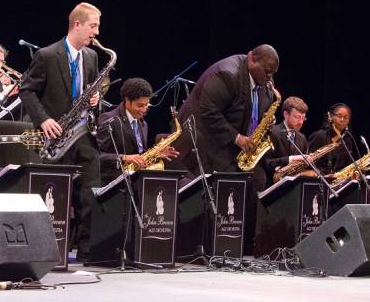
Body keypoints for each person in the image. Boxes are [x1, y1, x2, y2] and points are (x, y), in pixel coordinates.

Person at [19, 2, 102, 261]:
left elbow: (90, 89)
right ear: (77, 25)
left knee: (89, 192)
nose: (96, 32)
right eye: (93, 26)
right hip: (56, 136)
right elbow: (27, 90)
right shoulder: (46, 55)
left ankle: (87, 251)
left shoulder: (91, 57)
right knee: (58, 194)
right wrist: (43, 120)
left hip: (83, 134)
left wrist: (95, 98)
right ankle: (52, 250)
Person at [175, 44, 279, 192]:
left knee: (258, 180)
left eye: (273, 73)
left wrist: (268, 121)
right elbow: (209, 111)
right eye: (267, 71)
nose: (270, 77)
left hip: (233, 145)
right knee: (227, 185)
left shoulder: (265, 80)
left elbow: (262, 110)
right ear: (252, 60)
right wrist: (238, 138)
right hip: (204, 139)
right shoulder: (228, 74)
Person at [96, 77, 179, 184]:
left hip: (137, 182)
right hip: (113, 184)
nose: (144, 110)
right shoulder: (109, 119)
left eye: (146, 105)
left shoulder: (143, 124)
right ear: (127, 101)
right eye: (140, 105)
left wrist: (155, 155)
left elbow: (140, 156)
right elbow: (97, 156)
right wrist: (123, 158)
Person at [264, 96, 309, 184]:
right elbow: (266, 163)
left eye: (303, 118)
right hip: (271, 186)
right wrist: (290, 159)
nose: (301, 122)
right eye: (297, 117)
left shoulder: (302, 138)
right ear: (285, 114)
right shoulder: (272, 133)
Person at [307, 103, 359, 175]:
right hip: (318, 180)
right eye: (339, 116)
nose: (342, 119)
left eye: (346, 117)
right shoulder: (319, 135)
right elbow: (308, 163)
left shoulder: (347, 141)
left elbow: (347, 165)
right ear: (331, 117)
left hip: (338, 182)